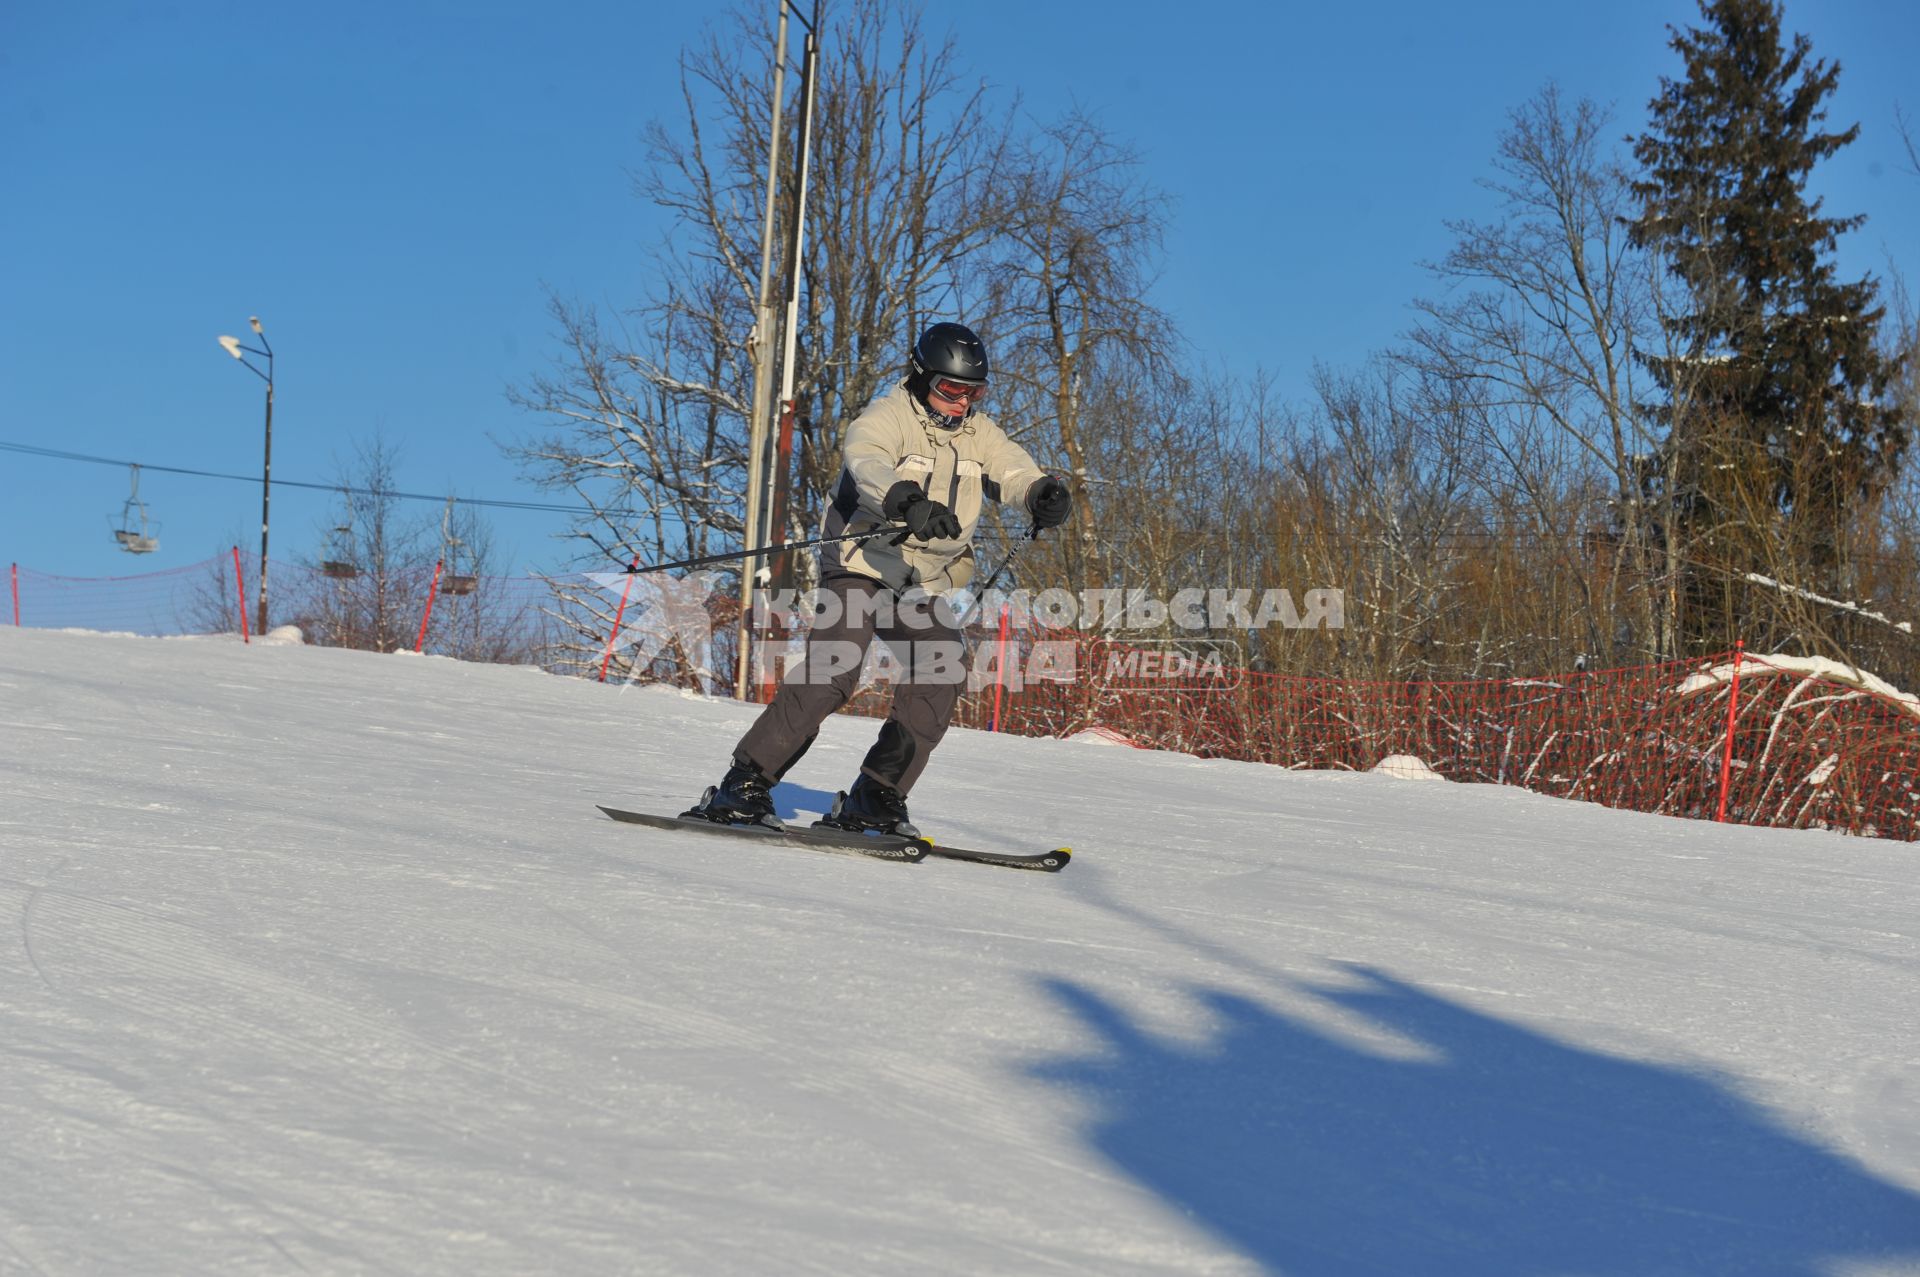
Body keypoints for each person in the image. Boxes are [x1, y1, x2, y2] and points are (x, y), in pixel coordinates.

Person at [685, 321, 1072, 837]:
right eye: (950, 389)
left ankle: (876, 795)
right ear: (921, 378)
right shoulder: (887, 416)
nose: (961, 401)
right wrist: (907, 501)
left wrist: (1042, 492)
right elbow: (866, 463)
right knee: (837, 667)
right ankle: (744, 784)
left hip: (919, 580)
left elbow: (1014, 471)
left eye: (973, 391)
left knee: (944, 666)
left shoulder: (980, 433)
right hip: (860, 562)